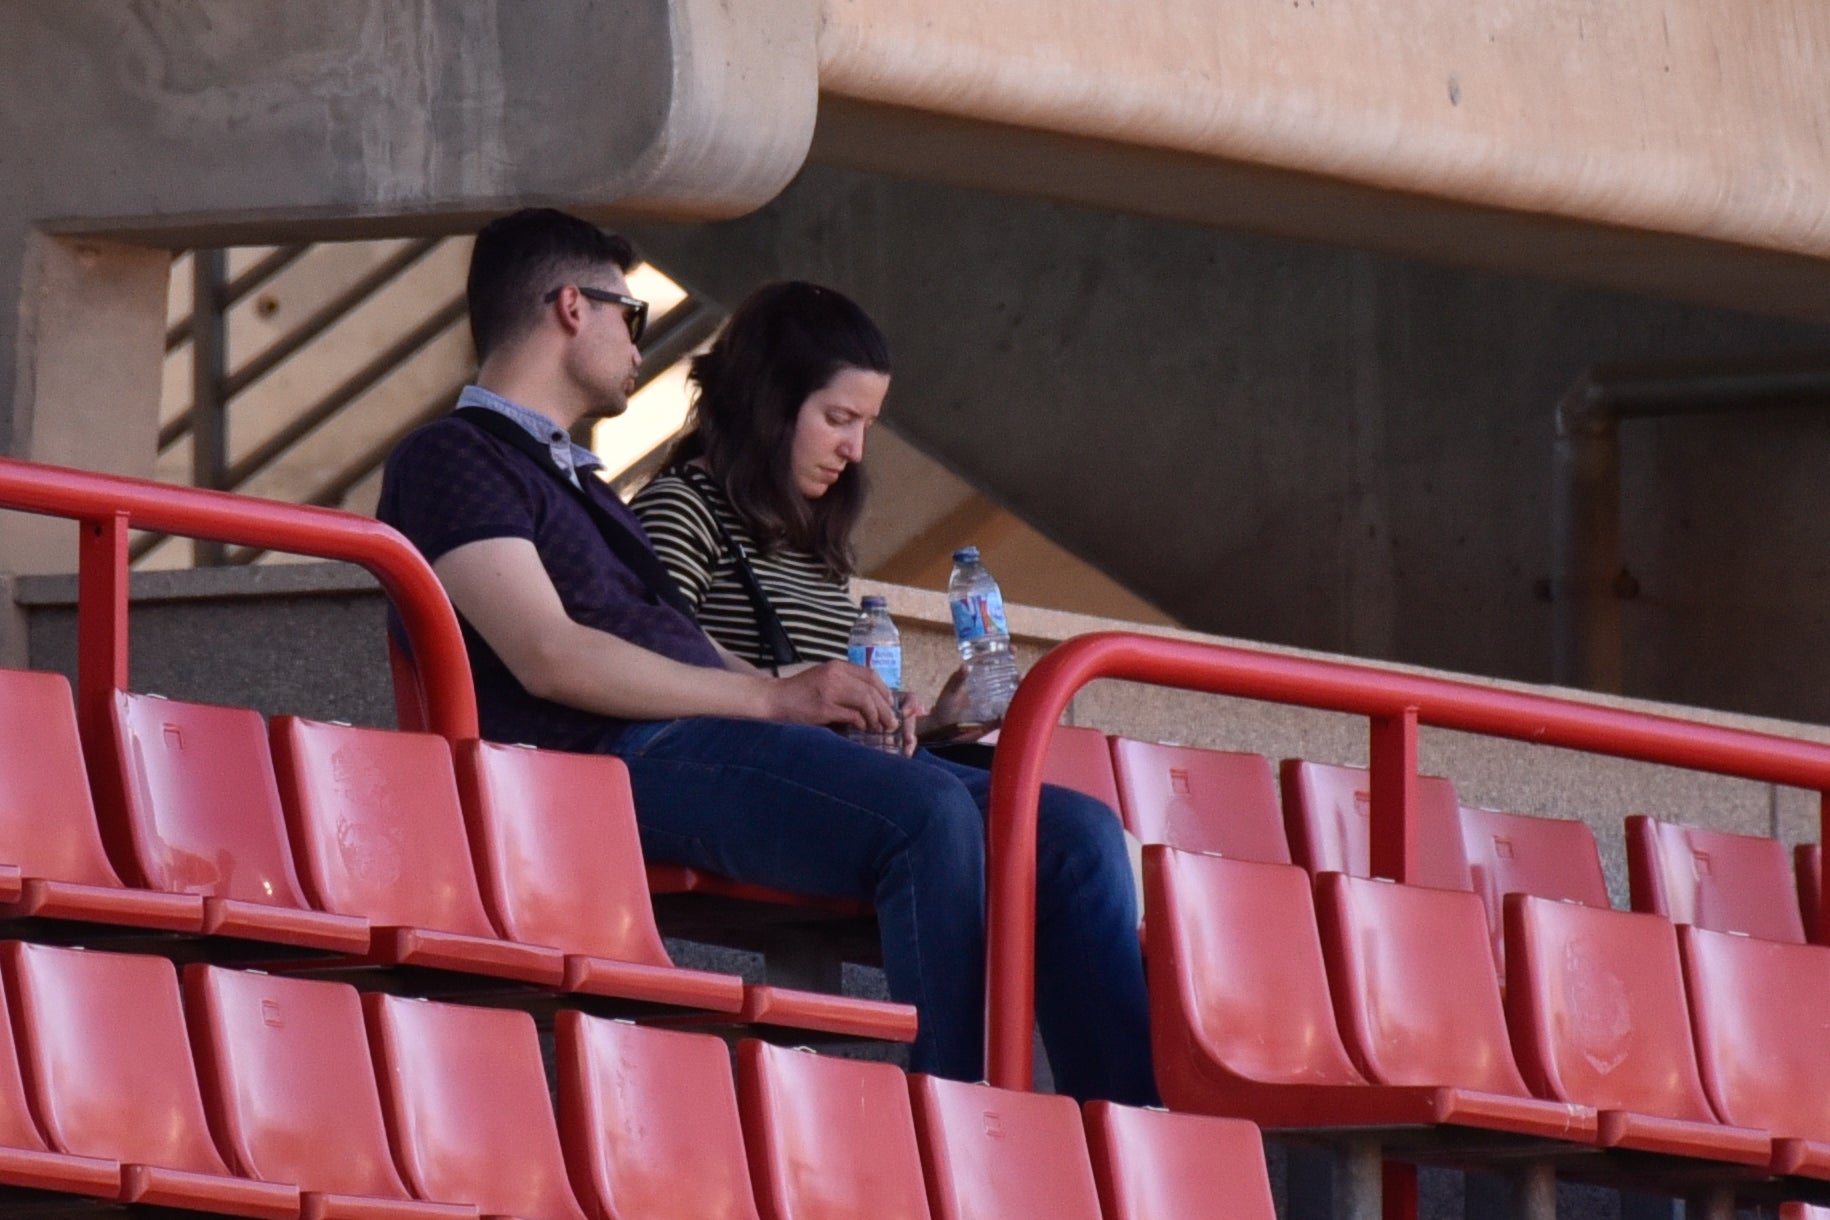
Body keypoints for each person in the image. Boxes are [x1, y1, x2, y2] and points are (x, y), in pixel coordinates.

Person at [376, 207, 1154, 1103]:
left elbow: (692, 653)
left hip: (689, 742)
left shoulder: (584, 484)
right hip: (599, 765)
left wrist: (822, 700)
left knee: (1073, 834)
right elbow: (550, 656)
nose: (642, 341)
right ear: (568, 308)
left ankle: (1122, 1149)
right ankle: (967, 1135)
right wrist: (776, 703)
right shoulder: (452, 456)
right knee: (928, 816)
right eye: (629, 315)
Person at [629, 280, 973, 742]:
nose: (855, 450)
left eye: (867, 425)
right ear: (767, 405)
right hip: (744, 773)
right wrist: (784, 690)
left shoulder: (806, 532)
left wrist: (926, 727)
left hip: (831, 775)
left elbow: (825, 721)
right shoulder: (682, 507)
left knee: (1072, 816)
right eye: (838, 419)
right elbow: (655, 652)